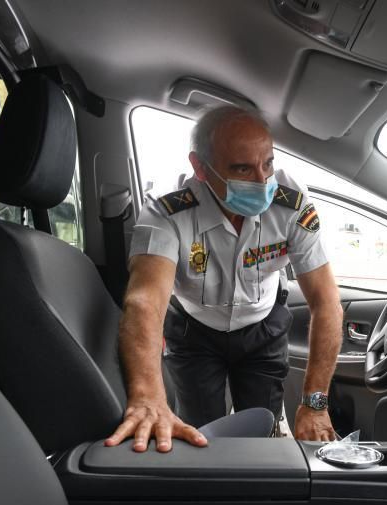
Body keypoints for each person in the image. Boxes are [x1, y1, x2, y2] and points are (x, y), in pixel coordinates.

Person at [105, 105, 343, 452]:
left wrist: (315, 404)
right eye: (243, 168)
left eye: (268, 164)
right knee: (201, 435)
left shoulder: (291, 204)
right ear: (200, 168)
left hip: (263, 327)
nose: (263, 181)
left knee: (260, 432)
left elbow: (326, 303)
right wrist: (148, 398)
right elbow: (144, 301)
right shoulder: (167, 210)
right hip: (194, 330)